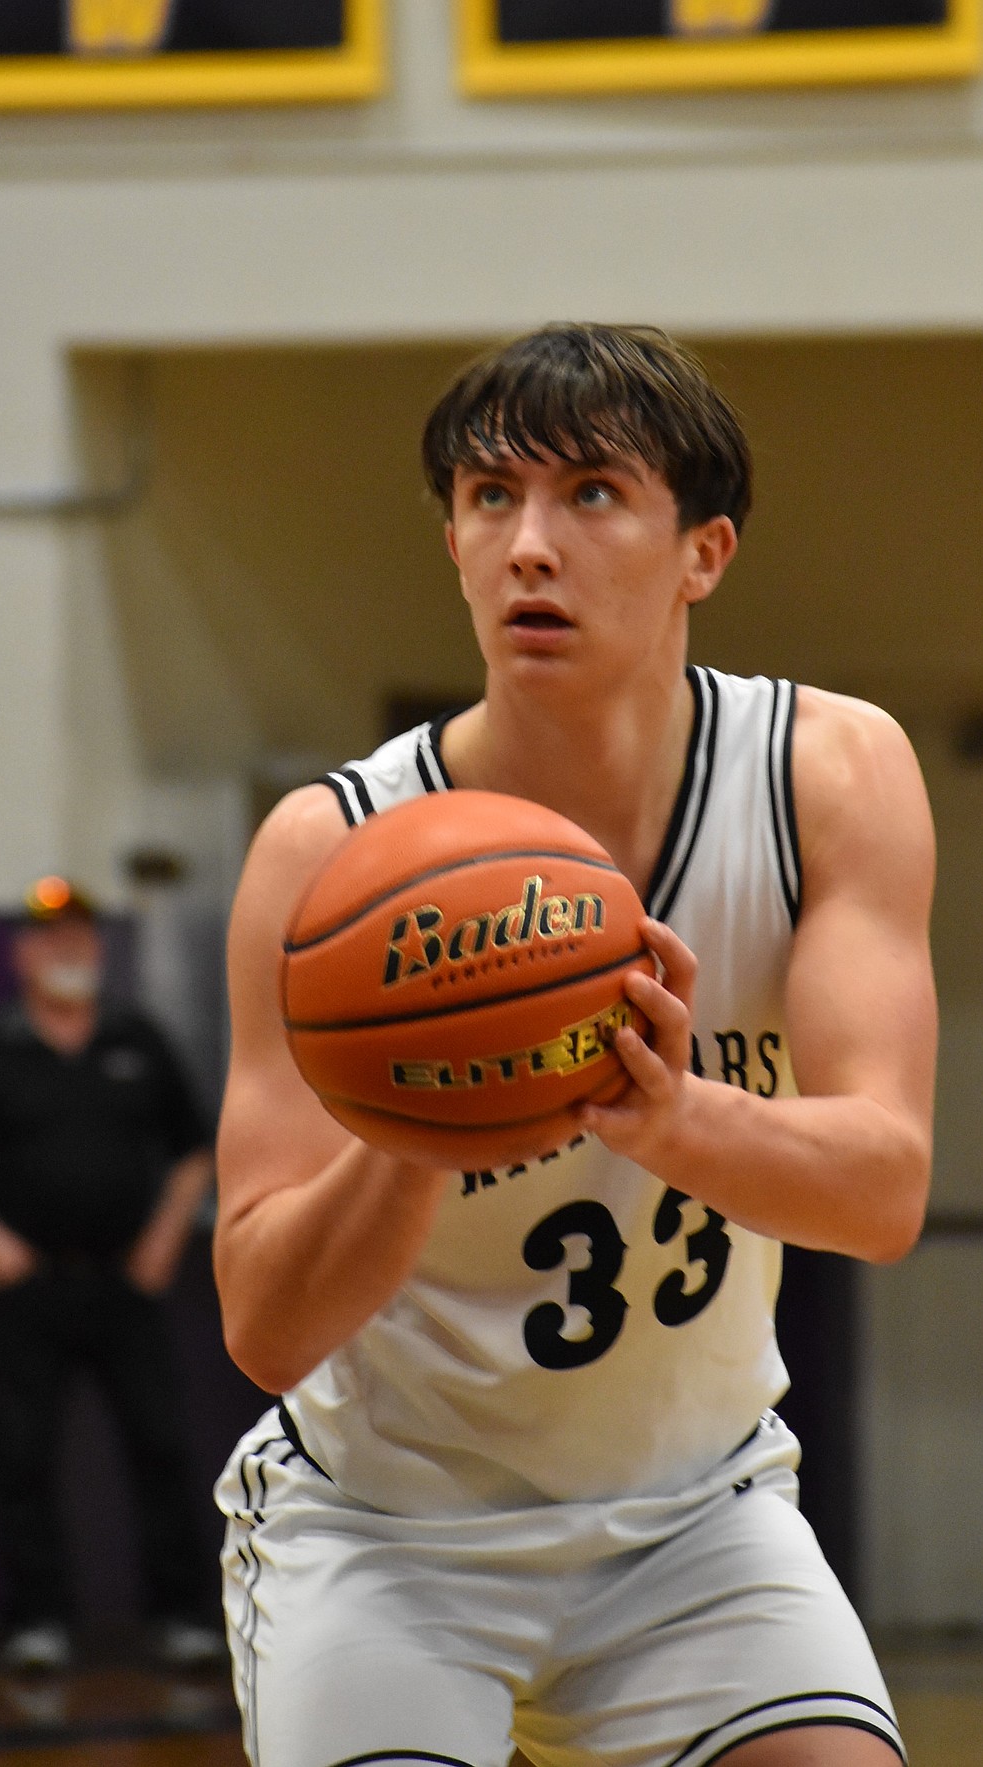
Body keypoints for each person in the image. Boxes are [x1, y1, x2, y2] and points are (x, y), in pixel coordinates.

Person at [211, 324, 937, 1767]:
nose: (528, 544)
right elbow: (263, 1322)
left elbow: (881, 1190)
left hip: (691, 1519)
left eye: (590, 492)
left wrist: (667, 1115)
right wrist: (414, 1138)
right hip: (385, 1533)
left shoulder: (826, 774)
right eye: (490, 499)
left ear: (703, 552)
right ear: (454, 542)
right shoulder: (327, 852)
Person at [0, 877, 224, 1673]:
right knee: (22, 1454)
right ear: (23, 954)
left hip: (127, 1282)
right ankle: (38, 1621)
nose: (67, 949)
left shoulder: (137, 1038)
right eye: (50, 938)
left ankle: (180, 1616)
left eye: (79, 936)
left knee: (158, 1445)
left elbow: (194, 1149)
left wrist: (161, 1241)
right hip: (30, 1289)